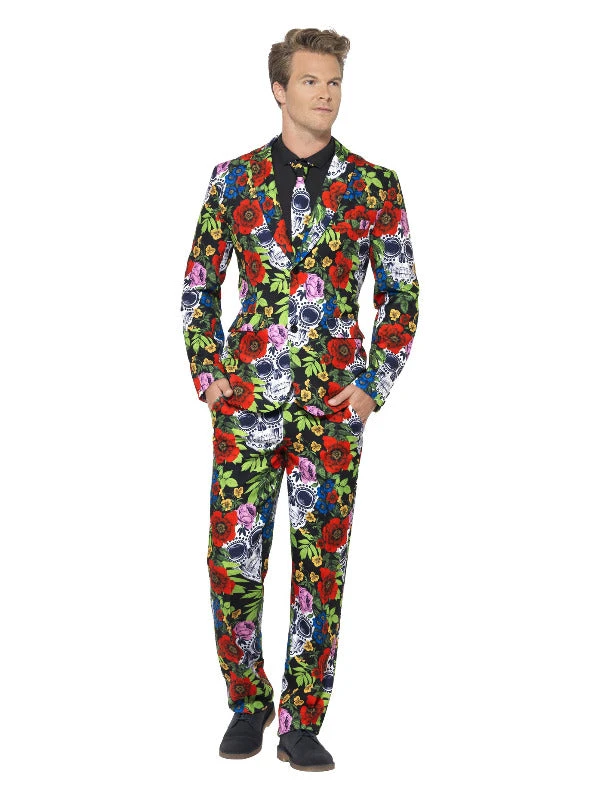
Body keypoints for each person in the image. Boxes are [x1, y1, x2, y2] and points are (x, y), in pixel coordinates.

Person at [180, 27, 419, 772]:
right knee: (233, 562)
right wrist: (208, 373)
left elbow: (402, 294)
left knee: (321, 568)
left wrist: (374, 384)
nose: (326, 94)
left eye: (334, 82)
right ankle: (248, 703)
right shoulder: (233, 179)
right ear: (279, 89)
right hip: (246, 404)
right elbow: (198, 284)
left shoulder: (375, 185)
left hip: (332, 411)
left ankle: (302, 721)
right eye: (311, 81)